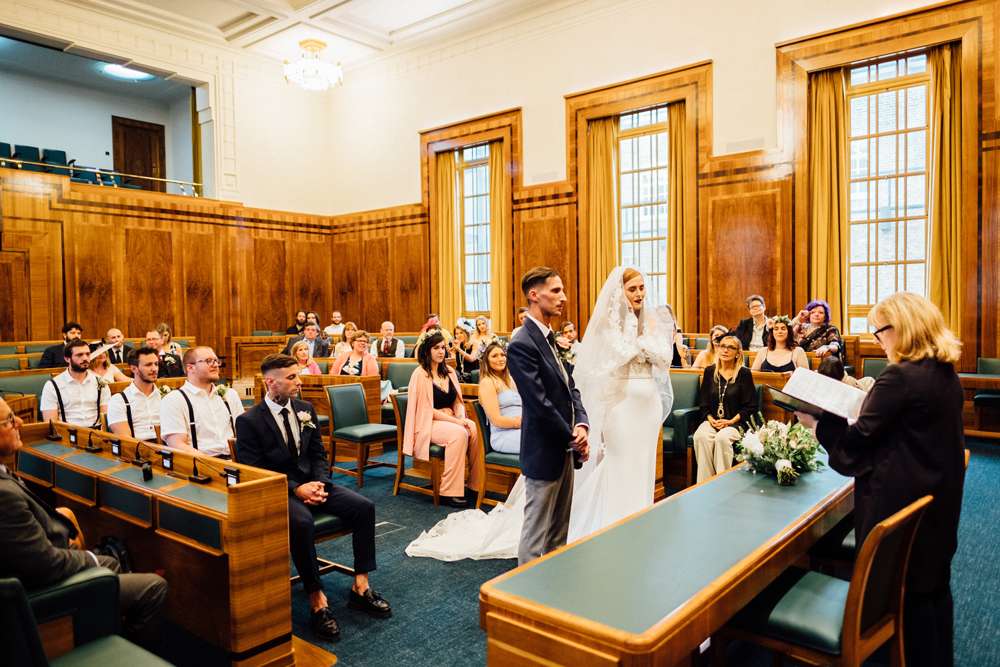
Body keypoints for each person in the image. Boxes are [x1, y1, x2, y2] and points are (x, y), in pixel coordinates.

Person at [797, 292, 965, 667]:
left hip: (899, 503)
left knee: (901, 588)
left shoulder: (899, 376)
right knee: (929, 591)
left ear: (901, 327)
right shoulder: (943, 372)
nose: (877, 341)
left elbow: (854, 447)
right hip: (935, 502)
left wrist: (818, 422)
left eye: (879, 332)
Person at [235, 354, 391, 641]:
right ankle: (317, 598)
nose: (300, 381)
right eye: (292, 377)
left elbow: (319, 454)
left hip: (314, 483)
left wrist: (318, 483)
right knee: (302, 523)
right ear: (271, 382)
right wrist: (296, 488)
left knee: (364, 507)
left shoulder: (305, 409)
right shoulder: (249, 421)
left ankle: (360, 586)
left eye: (298, 375)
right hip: (280, 490)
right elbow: (256, 469)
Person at [0, 397, 168, 646]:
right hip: (35, 596)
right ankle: (118, 650)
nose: (20, 422)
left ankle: (104, 630)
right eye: (9, 420)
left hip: (36, 563)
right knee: (153, 587)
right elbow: (44, 564)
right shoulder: (4, 496)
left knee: (110, 563)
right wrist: (89, 557)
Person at [568, 266, 673, 541]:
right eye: (632, 289)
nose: (639, 294)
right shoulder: (608, 324)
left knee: (644, 463)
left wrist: (643, 346)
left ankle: (640, 518)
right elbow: (620, 354)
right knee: (621, 461)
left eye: (642, 288)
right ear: (620, 292)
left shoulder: (651, 321)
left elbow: (664, 358)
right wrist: (643, 345)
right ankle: (614, 521)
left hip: (649, 405)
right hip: (622, 406)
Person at [506, 267, 589, 565]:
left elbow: (570, 387)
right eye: (555, 291)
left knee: (558, 533)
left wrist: (582, 424)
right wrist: (572, 438)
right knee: (535, 535)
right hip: (543, 449)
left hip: (565, 446)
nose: (563, 297)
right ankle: (524, 590)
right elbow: (539, 404)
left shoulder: (550, 337)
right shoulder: (521, 344)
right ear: (533, 295)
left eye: (562, 290)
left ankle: (554, 583)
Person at [402, 332, 484, 508]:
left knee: (475, 429)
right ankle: (448, 491)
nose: (441, 351)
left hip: (452, 418)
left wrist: (460, 416)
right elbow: (426, 409)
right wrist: (456, 422)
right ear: (427, 350)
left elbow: (458, 401)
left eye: (443, 348)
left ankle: (475, 484)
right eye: (436, 348)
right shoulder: (420, 374)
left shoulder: (450, 372)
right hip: (427, 422)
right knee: (459, 434)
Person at [159, 347, 244, 458]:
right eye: (209, 361)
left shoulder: (230, 395)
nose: (215, 365)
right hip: (200, 462)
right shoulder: (174, 400)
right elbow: (177, 444)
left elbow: (244, 433)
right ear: (190, 368)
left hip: (235, 459)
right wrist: (211, 463)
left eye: (216, 361)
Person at [692, 335, 755, 483]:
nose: (725, 350)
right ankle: (705, 484)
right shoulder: (710, 371)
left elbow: (750, 407)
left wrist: (730, 421)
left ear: (738, 353)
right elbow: (703, 403)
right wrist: (710, 419)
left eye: (731, 347)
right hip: (713, 420)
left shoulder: (744, 373)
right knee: (700, 436)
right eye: (722, 346)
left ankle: (722, 483)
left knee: (722, 438)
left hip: (736, 423)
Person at [40, 339, 110, 428]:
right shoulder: (52, 385)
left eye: (87, 354)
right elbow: (51, 423)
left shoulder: (101, 382)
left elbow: (106, 416)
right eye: (79, 355)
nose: (85, 358)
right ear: (67, 359)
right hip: (66, 433)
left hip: (96, 432)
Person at [108, 347, 162, 442]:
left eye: (156, 364)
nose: (154, 369)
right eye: (148, 365)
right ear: (134, 369)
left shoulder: (164, 396)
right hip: (137, 447)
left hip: (168, 445)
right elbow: (125, 439)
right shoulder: (119, 400)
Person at [478, 343, 522, 454]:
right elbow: (496, 420)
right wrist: (522, 423)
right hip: (504, 435)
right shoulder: (487, 383)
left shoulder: (511, 380)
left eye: (502, 355)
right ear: (486, 360)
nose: (500, 359)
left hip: (521, 428)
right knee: (541, 441)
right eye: (494, 356)